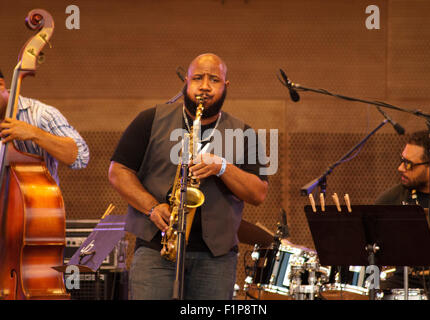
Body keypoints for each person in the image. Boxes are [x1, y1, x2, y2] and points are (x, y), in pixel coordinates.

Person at [108, 53, 269, 300]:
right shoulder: (149, 120)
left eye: (214, 79)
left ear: (226, 86)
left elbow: (258, 193)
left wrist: (222, 167)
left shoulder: (244, 132)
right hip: (156, 250)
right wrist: (151, 207)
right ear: (186, 82)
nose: (204, 86)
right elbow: (118, 172)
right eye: (198, 78)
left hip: (216, 259)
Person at [375, 130, 430, 291]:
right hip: (404, 282)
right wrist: (371, 287)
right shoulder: (390, 200)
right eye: (402, 160)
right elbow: (370, 254)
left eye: (409, 163)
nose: (400, 168)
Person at [0, 69, 89, 183]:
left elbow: (81, 156)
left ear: (1, 84)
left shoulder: (42, 114)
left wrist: (35, 133)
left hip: (37, 200)